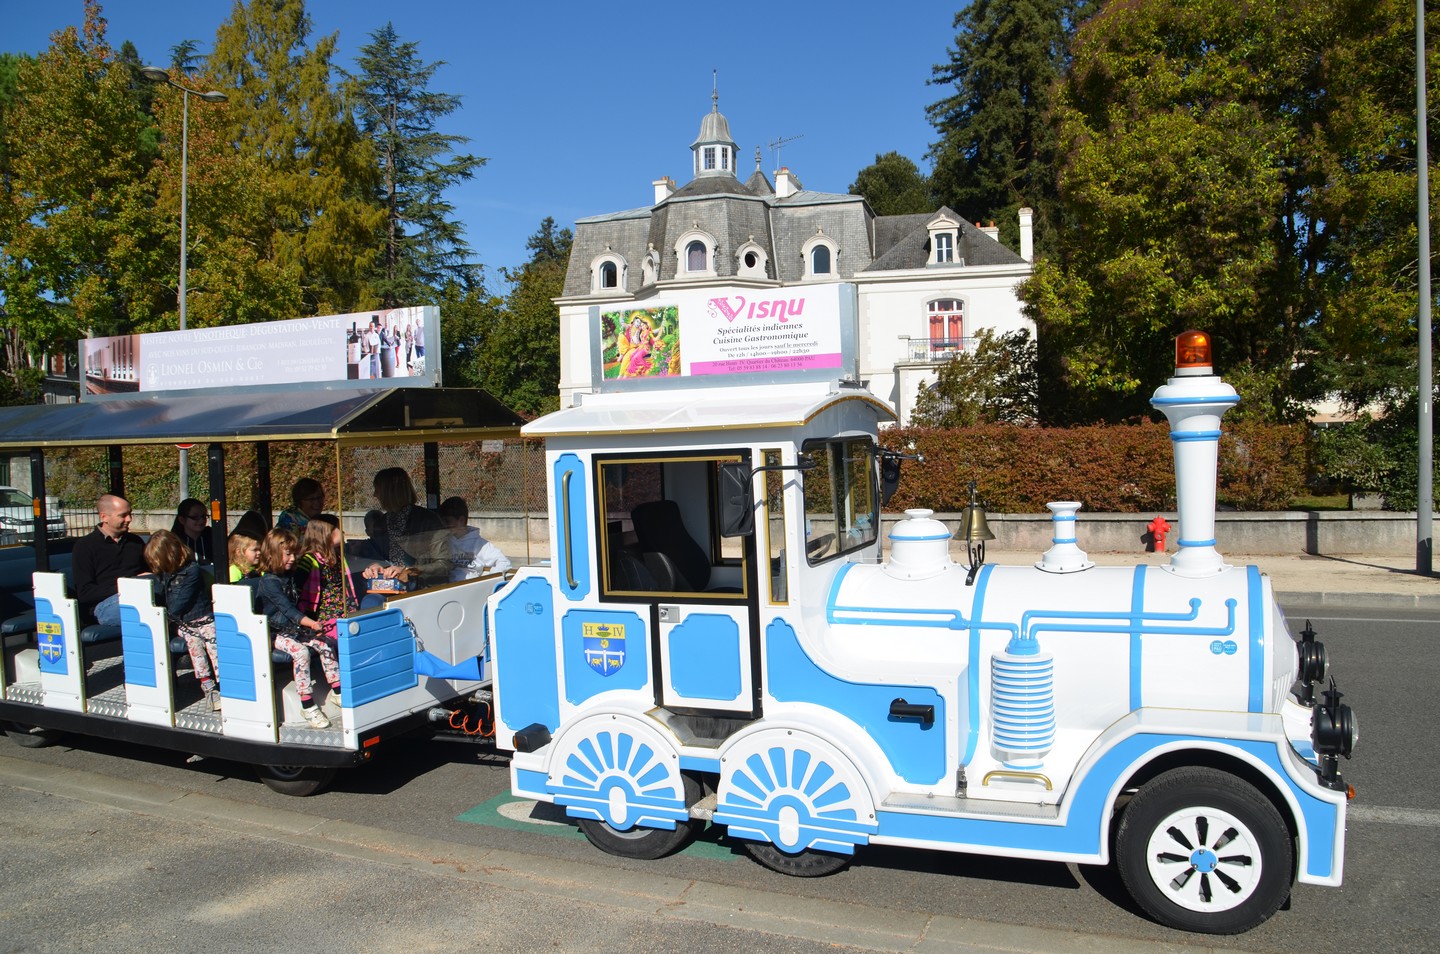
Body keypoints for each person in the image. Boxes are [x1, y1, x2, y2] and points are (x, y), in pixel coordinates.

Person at [254, 529, 341, 728]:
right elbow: (287, 609)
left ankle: (338, 690)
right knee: (301, 652)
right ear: (272, 554)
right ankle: (307, 704)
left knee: (324, 644)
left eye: (294, 554)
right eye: (288, 554)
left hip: (292, 630)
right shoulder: (269, 582)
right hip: (274, 633)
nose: (293, 559)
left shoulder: (289, 577)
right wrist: (311, 623)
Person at [144, 530, 221, 711]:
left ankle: (224, 682)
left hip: (202, 618)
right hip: (184, 623)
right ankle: (208, 686)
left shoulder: (192, 571)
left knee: (213, 644)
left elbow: (180, 601)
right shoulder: (165, 574)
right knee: (195, 647)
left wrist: (166, 616)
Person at [360, 467, 448, 597]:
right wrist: (374, 566)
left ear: (389, 492)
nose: (374, 495)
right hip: (388, 591)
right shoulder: (382, 523)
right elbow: (376, 555)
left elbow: (444, 564)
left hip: (422, 592)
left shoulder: (429, 521)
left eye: (377, 489)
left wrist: (409, 571)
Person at [71, 493, 148, 627]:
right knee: (144, 607)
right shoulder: (85, 546)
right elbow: (85, 593)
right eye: (123, 515)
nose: (129, 519)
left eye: (130, 514)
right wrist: (127, 586)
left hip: (138, 595)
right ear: (104, 517)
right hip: (104, 606)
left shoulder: (135, 542)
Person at [438, 496, 511, 582]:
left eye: (447, 521)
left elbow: (504, 562)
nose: (444, 525)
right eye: (442, 521)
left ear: (461, 520)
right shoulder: (444, 542)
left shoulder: (480, 544)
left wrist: (489, 581)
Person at [170, 498, 213, 564]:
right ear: (182, 520)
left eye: (204, 516)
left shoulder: (212, 536)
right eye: (195, 517)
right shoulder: (174, 541)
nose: (201, 521)